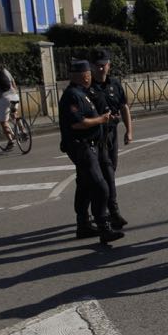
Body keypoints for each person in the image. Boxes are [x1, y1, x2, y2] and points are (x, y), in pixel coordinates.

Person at [58, 60, 124, 245]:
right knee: (101, 186)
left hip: (89, 145)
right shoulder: (73, 95)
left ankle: (83, 225)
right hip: (82, 146)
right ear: (85, 75)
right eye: (88, 74)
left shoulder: (81, 93)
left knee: (85, 186)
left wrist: (105, 119)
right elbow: (77, 123)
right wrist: (101, 120)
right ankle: (104, 228)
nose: (90, 76)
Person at [87, 48, 132, 228]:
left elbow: (124, 107)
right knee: (107, 174)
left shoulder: (114, 84)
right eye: (97, 66)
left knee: (110, 169)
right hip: (96, 137)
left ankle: (97, 210)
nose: (101, 69)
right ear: (91, 66)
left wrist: (129, 131)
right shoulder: (87, 88)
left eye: (104, 65)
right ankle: (112, 212)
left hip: (111, 135)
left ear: (109, 65)